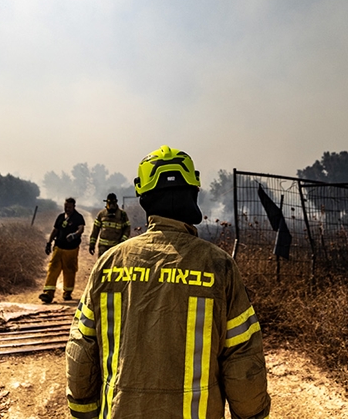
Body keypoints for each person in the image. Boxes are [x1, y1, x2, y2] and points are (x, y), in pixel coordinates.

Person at [66, 145, 271, 419]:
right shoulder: (218, 266)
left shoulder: (110, 264)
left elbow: (82, 346)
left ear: (144, 198)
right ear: (193, 193)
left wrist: (82, 412)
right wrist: (252, 416)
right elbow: (242, 356)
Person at [40, 197, 85, 303]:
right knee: (52, 269)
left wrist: (75, 235)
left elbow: (81, 228)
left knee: (69, 271)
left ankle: (67, 292)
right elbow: (55, 230)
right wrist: (49, 243)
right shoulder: (60, 217)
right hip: (58, 247)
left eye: (69, 207)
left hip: (71, 250)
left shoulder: (78, 217)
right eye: (65, 207)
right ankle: (48, 293)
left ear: (74, 206)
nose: (67, 209)